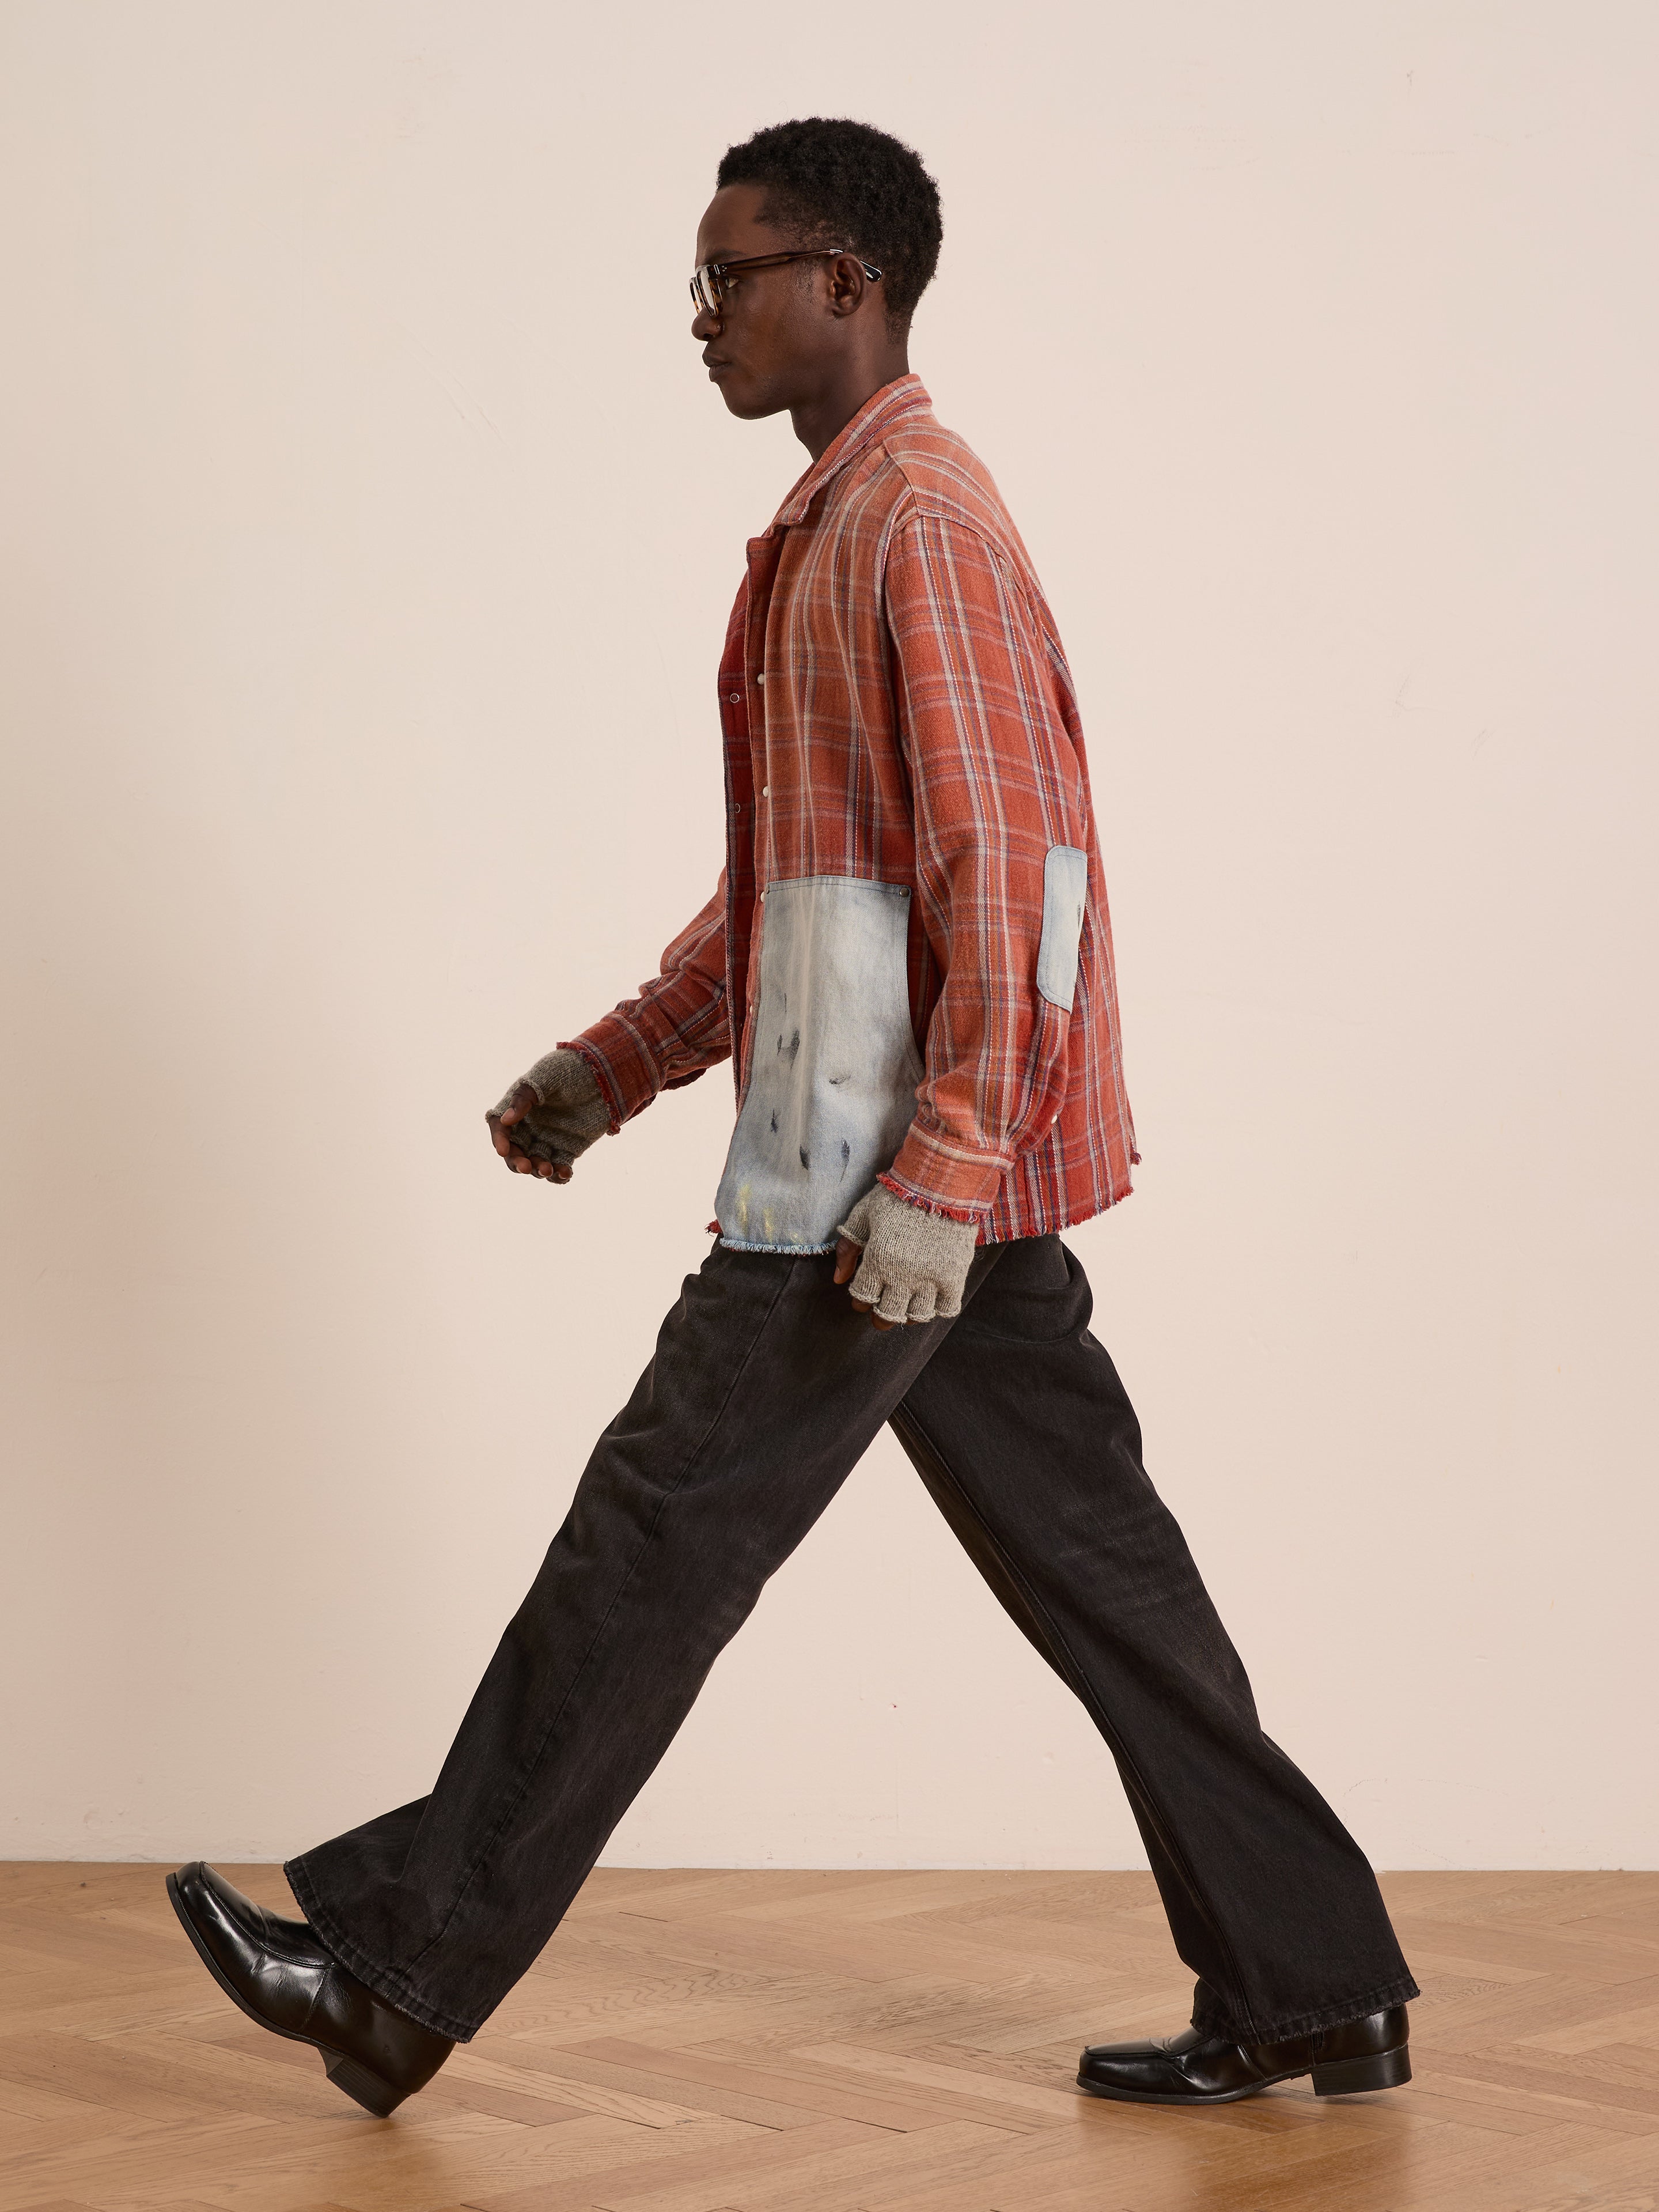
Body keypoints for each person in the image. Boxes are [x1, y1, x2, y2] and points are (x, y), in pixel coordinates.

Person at [167, 116, 1417, 2120]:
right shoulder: (835, 527)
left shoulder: (920, 518)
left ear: (847, 281)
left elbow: (1017, 872)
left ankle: (395, 1973)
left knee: (649, 1541)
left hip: (874, 1192)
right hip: (910, 1182)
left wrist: (938, 1173)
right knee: (1115, 1586)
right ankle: (1320, 1987)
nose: (701, 314)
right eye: (700, 279)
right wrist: (621, 1059)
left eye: (729, 275)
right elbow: (804, 885)